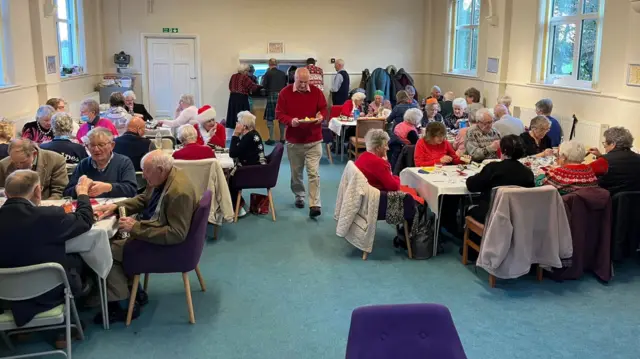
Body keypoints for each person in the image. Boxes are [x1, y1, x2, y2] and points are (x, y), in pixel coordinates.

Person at [93, 150, 198, 324]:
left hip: (170, 247)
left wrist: (136, 228)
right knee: (114, 239)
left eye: (147, 174)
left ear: (159, 169)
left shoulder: (178, 192)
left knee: (106, 251)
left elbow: (176, 234)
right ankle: (136, 292)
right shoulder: (165, 176)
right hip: (154, 229)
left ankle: (124, 305)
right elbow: (144, 199)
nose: (145, 178)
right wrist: (115, 206)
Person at [0, 170, 94, 327]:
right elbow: (84, 220)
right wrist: (83, 194)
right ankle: (65, 329)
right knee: (79, 260)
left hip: (4, 295)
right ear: (38, 190)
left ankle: (20, 327)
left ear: (5, 192)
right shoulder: (49, 216)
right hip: (49, 291)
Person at [275, 67, 327, 218]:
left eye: (306, 82)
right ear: (294, 79)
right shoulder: (285, 93)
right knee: (296, 173)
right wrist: (291, 121)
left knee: (313, 172)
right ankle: (299, 195)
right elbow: (279, 114)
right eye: (301, 82)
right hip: (294, 140)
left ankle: (315, 204)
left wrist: (321, 116)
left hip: (314, 139)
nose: (304, 85)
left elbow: (323, 108)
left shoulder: (317, 92)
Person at [466, 135, 535, 224]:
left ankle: (475, 236)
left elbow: (472, 186)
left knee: (469, 208)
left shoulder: (493, 168)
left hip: (491, 215)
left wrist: (475, 176)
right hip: (517, 216)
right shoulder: (528, 172)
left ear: (503, 150)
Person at [354, 129, 423, 204]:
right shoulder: (379, 163)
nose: (388, 148)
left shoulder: (363, 156)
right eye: (386, 145)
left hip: (367, 195)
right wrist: (397, 178)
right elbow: (393, 187)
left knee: (411, 190)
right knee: (417, 197)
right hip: (378, 199)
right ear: (378, 148)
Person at [64, 128, 137, 198]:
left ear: (112, 145)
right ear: (87, 146)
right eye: (92, 145)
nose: (96, 149)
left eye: (101, 145)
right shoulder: (84, 164)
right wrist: (80, 188)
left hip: (114, 207)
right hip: (90, 207)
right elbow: (67, 193)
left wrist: (109, 187)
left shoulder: (124, 162)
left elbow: (132, 190)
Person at [0, 139, 67, 199]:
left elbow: (59, 191)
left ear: (34, 154)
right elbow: (2, 190)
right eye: (14, 162)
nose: (18, 166)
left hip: (44, 205)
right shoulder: (4, 164)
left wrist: (46, 208)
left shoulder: (56, 160)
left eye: (23, 162)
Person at [587, 126, 640, 195]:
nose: (604, 146)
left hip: (608, 202)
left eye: (605, 143)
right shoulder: (638, 158)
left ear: (613, 144)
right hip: (634, 204)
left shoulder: (605, 161)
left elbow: (581, 172)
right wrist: (600, 156)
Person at [224, 64, 261, 140]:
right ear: (244, 71)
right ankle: (242, 135)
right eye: (247, 71)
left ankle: (234, 135)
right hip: (241, 98)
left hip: (233, 98)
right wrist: (260, 86)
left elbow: (230, 86)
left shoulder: (233, 76)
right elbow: (253, 87)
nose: (247, 72)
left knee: (234, 115)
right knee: (243, 117)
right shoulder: (245, 77)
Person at [261, 58, 288, 145]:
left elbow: (264, 86)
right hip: (282, 96)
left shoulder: (267, 73)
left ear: (269, 64)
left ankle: (271, 139)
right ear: (277, 64)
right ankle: (282, 139)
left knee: (270, 118)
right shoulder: (283, 73)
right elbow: (285, 86)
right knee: (282, 118)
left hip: (271, 96)